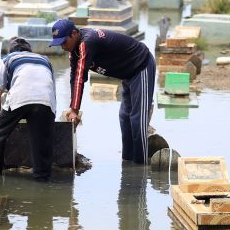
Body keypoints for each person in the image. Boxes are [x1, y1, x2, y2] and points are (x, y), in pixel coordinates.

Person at [49, 19, 155, 165]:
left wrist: (74, 110)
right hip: (127, 74)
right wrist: (73, 108)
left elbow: (81, 78)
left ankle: (140, 167)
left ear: (74, 34)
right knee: (125, 117)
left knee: (138, 119)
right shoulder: (73, 50)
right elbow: (74, 77)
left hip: (141, 66)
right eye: (59, 44)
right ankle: (127, 162)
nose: (62, 47)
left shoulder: (87, 42)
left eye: (64, 42)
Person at [0, 37, 56, 180]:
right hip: (45, 101)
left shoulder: (7, 59)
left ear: (12, 51)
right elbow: (51, 91)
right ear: (29, 51)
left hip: (20, 97)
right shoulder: (45, 60)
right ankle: (42, 179)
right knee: (42, 141)